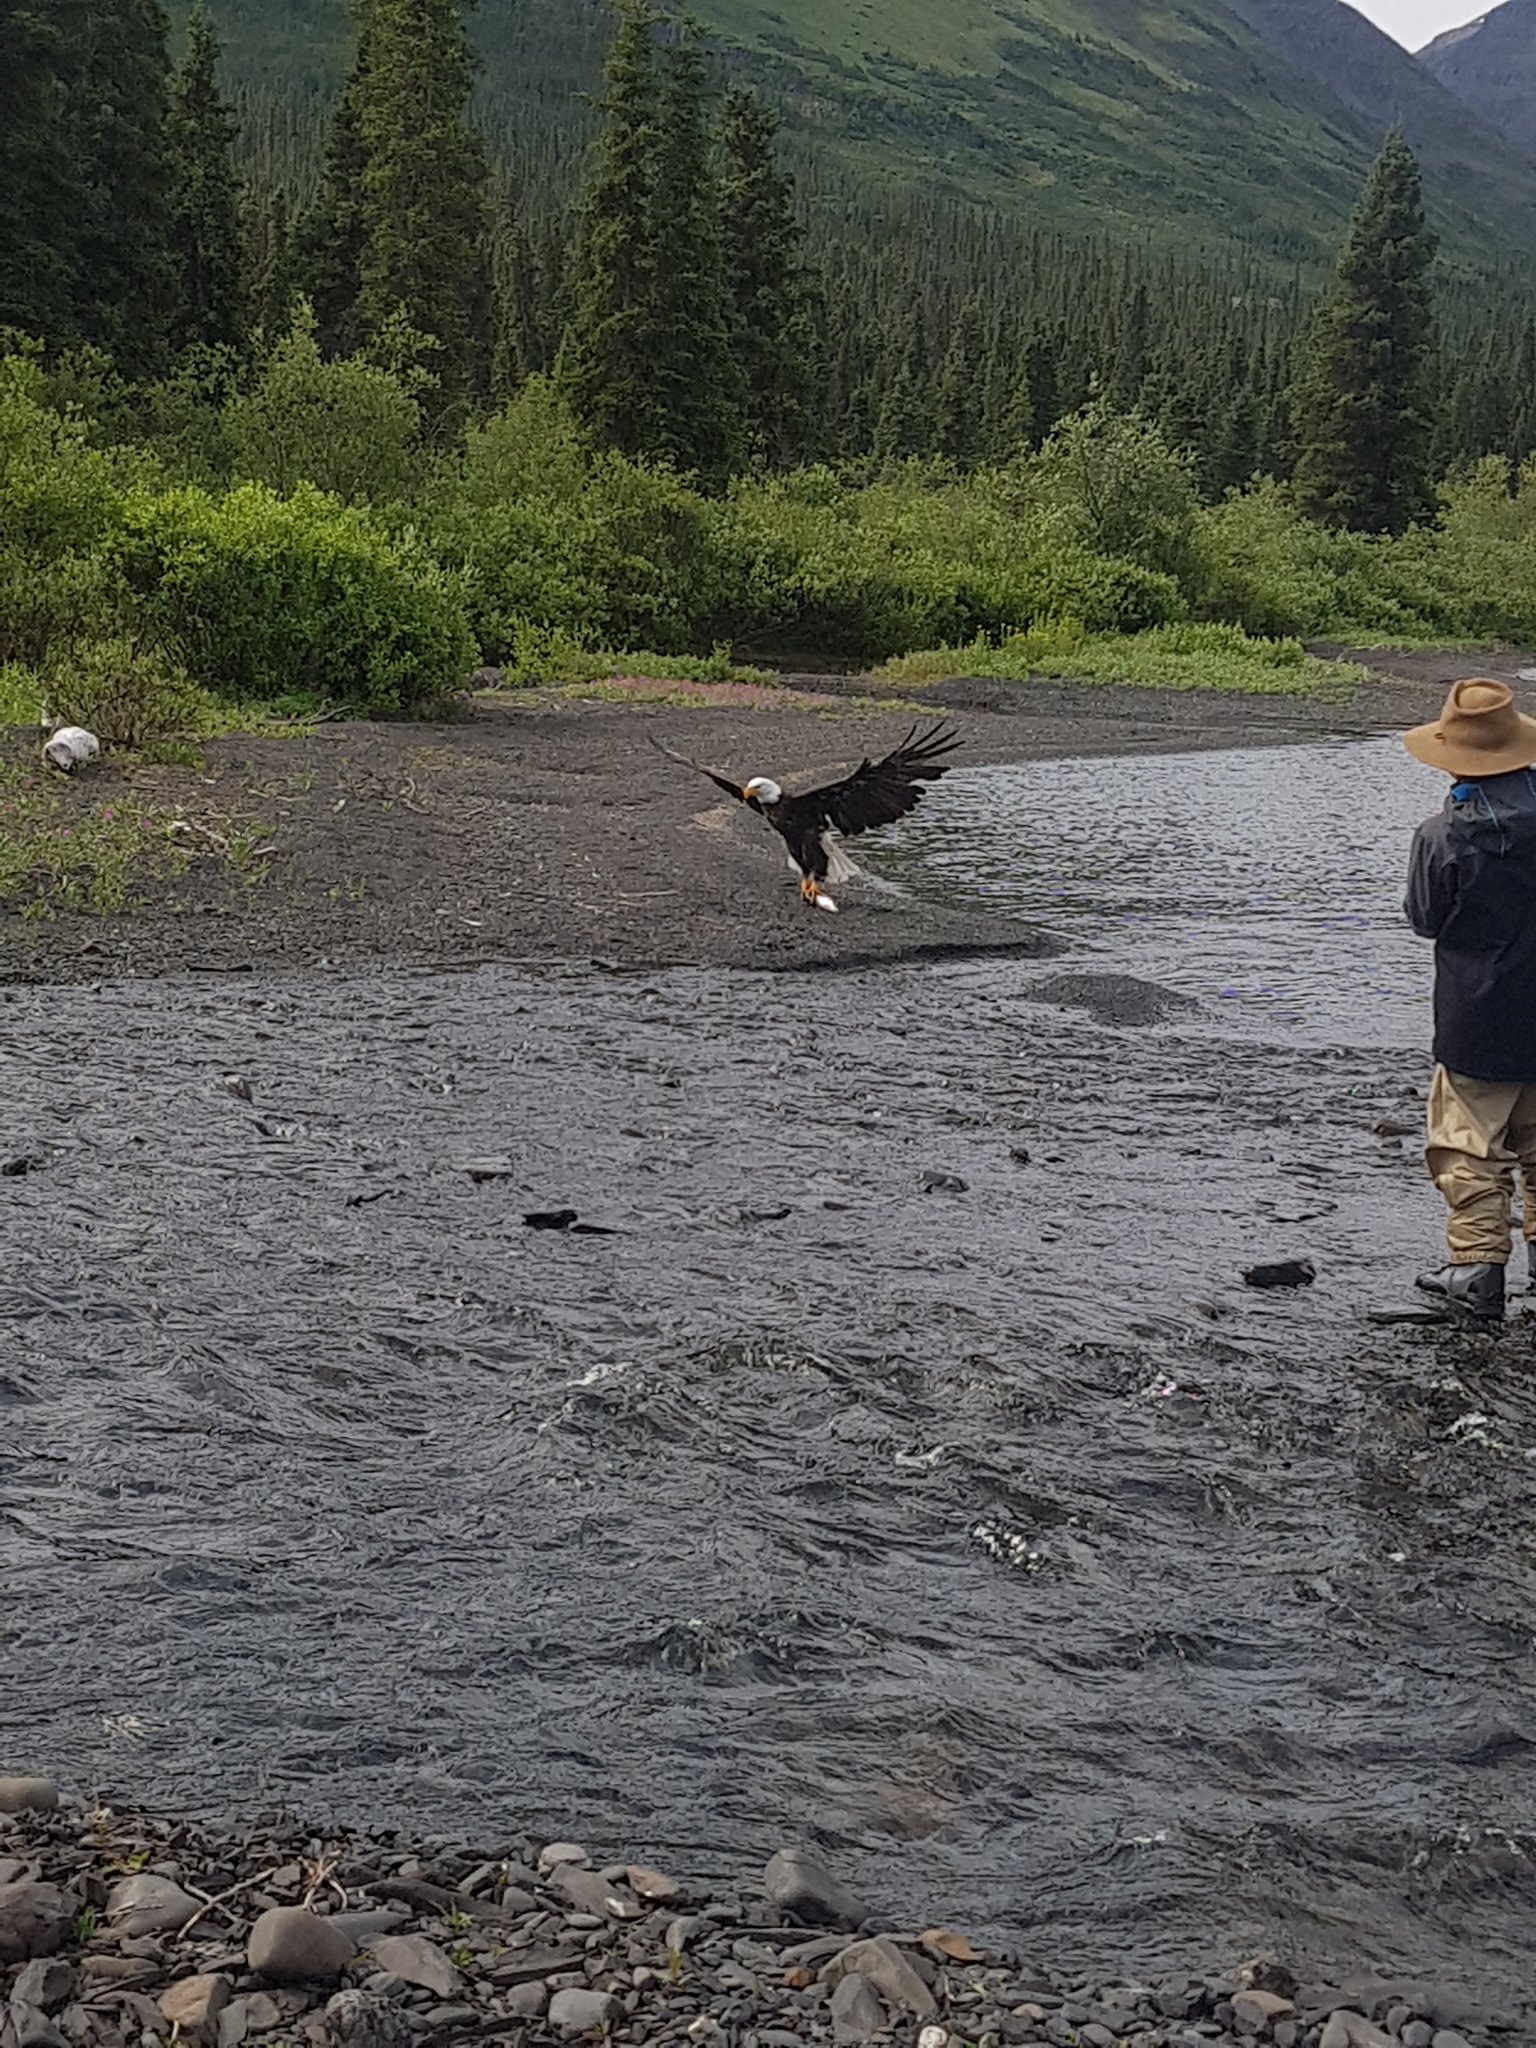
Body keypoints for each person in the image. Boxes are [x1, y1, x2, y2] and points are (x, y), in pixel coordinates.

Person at [1404, 678, 1536, 1322]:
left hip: (1477, 1012)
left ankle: (1478, 1273)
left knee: (1469, 1145)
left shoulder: (1442, 834)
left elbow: (1426, 919)